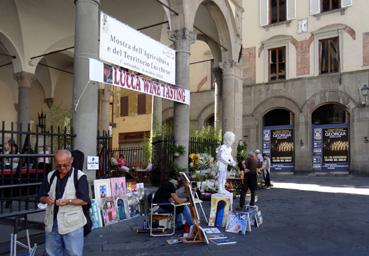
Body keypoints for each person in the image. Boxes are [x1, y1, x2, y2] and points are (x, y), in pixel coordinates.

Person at [38, 149, 90, 256]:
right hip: (52, 223)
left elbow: (85, 200)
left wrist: (68, 201)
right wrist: (46, 199)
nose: (62, 168)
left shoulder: (80, 176)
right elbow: (40, 196)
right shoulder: (50, 176)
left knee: (74, 253)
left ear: (71, 160)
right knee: (52, 253)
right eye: (58, 165)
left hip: (72, 224)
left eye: (65, 165)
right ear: (54, 163)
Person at [216, 131, 237, 207]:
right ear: (228, 140)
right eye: (231, 141)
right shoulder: (222, 147)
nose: (232, 142)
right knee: (221, 176)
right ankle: (219, 188)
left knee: (224, 176)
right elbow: (220, 157)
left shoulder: (229, 149)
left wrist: (232, 161)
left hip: (225, 165)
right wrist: (228, 162)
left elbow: (229, 156)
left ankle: (223, 187)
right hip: (221, 164)